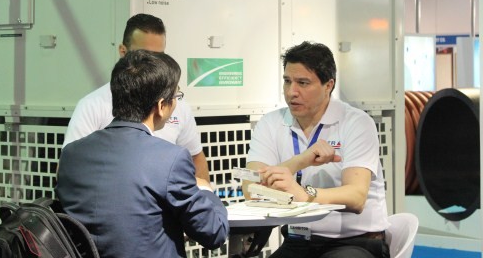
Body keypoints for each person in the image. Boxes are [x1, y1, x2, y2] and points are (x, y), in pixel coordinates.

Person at [56, 50, 229, 257]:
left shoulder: (72, 154)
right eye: (176, 96)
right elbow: (214, 233)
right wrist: (205, 189)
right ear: (161, 106)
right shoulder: (170, 159)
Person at [244, 41, 389, 258]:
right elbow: (251, 189)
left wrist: (304, 194)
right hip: (298, 241)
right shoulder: (271, 123)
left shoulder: (356, 123)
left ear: (328, 85)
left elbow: (356, 196)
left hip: (355, 242)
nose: (291, 92)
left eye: (303, 83)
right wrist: (301, 160)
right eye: (287, 81)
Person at [63, 13, 210, 181]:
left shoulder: (177, 103)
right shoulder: (92, 105)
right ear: (123, 52)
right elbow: (70, 166)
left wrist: (203, 192)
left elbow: (196, 158)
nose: (153, 64)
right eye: (144, 55)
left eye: (159, 56)